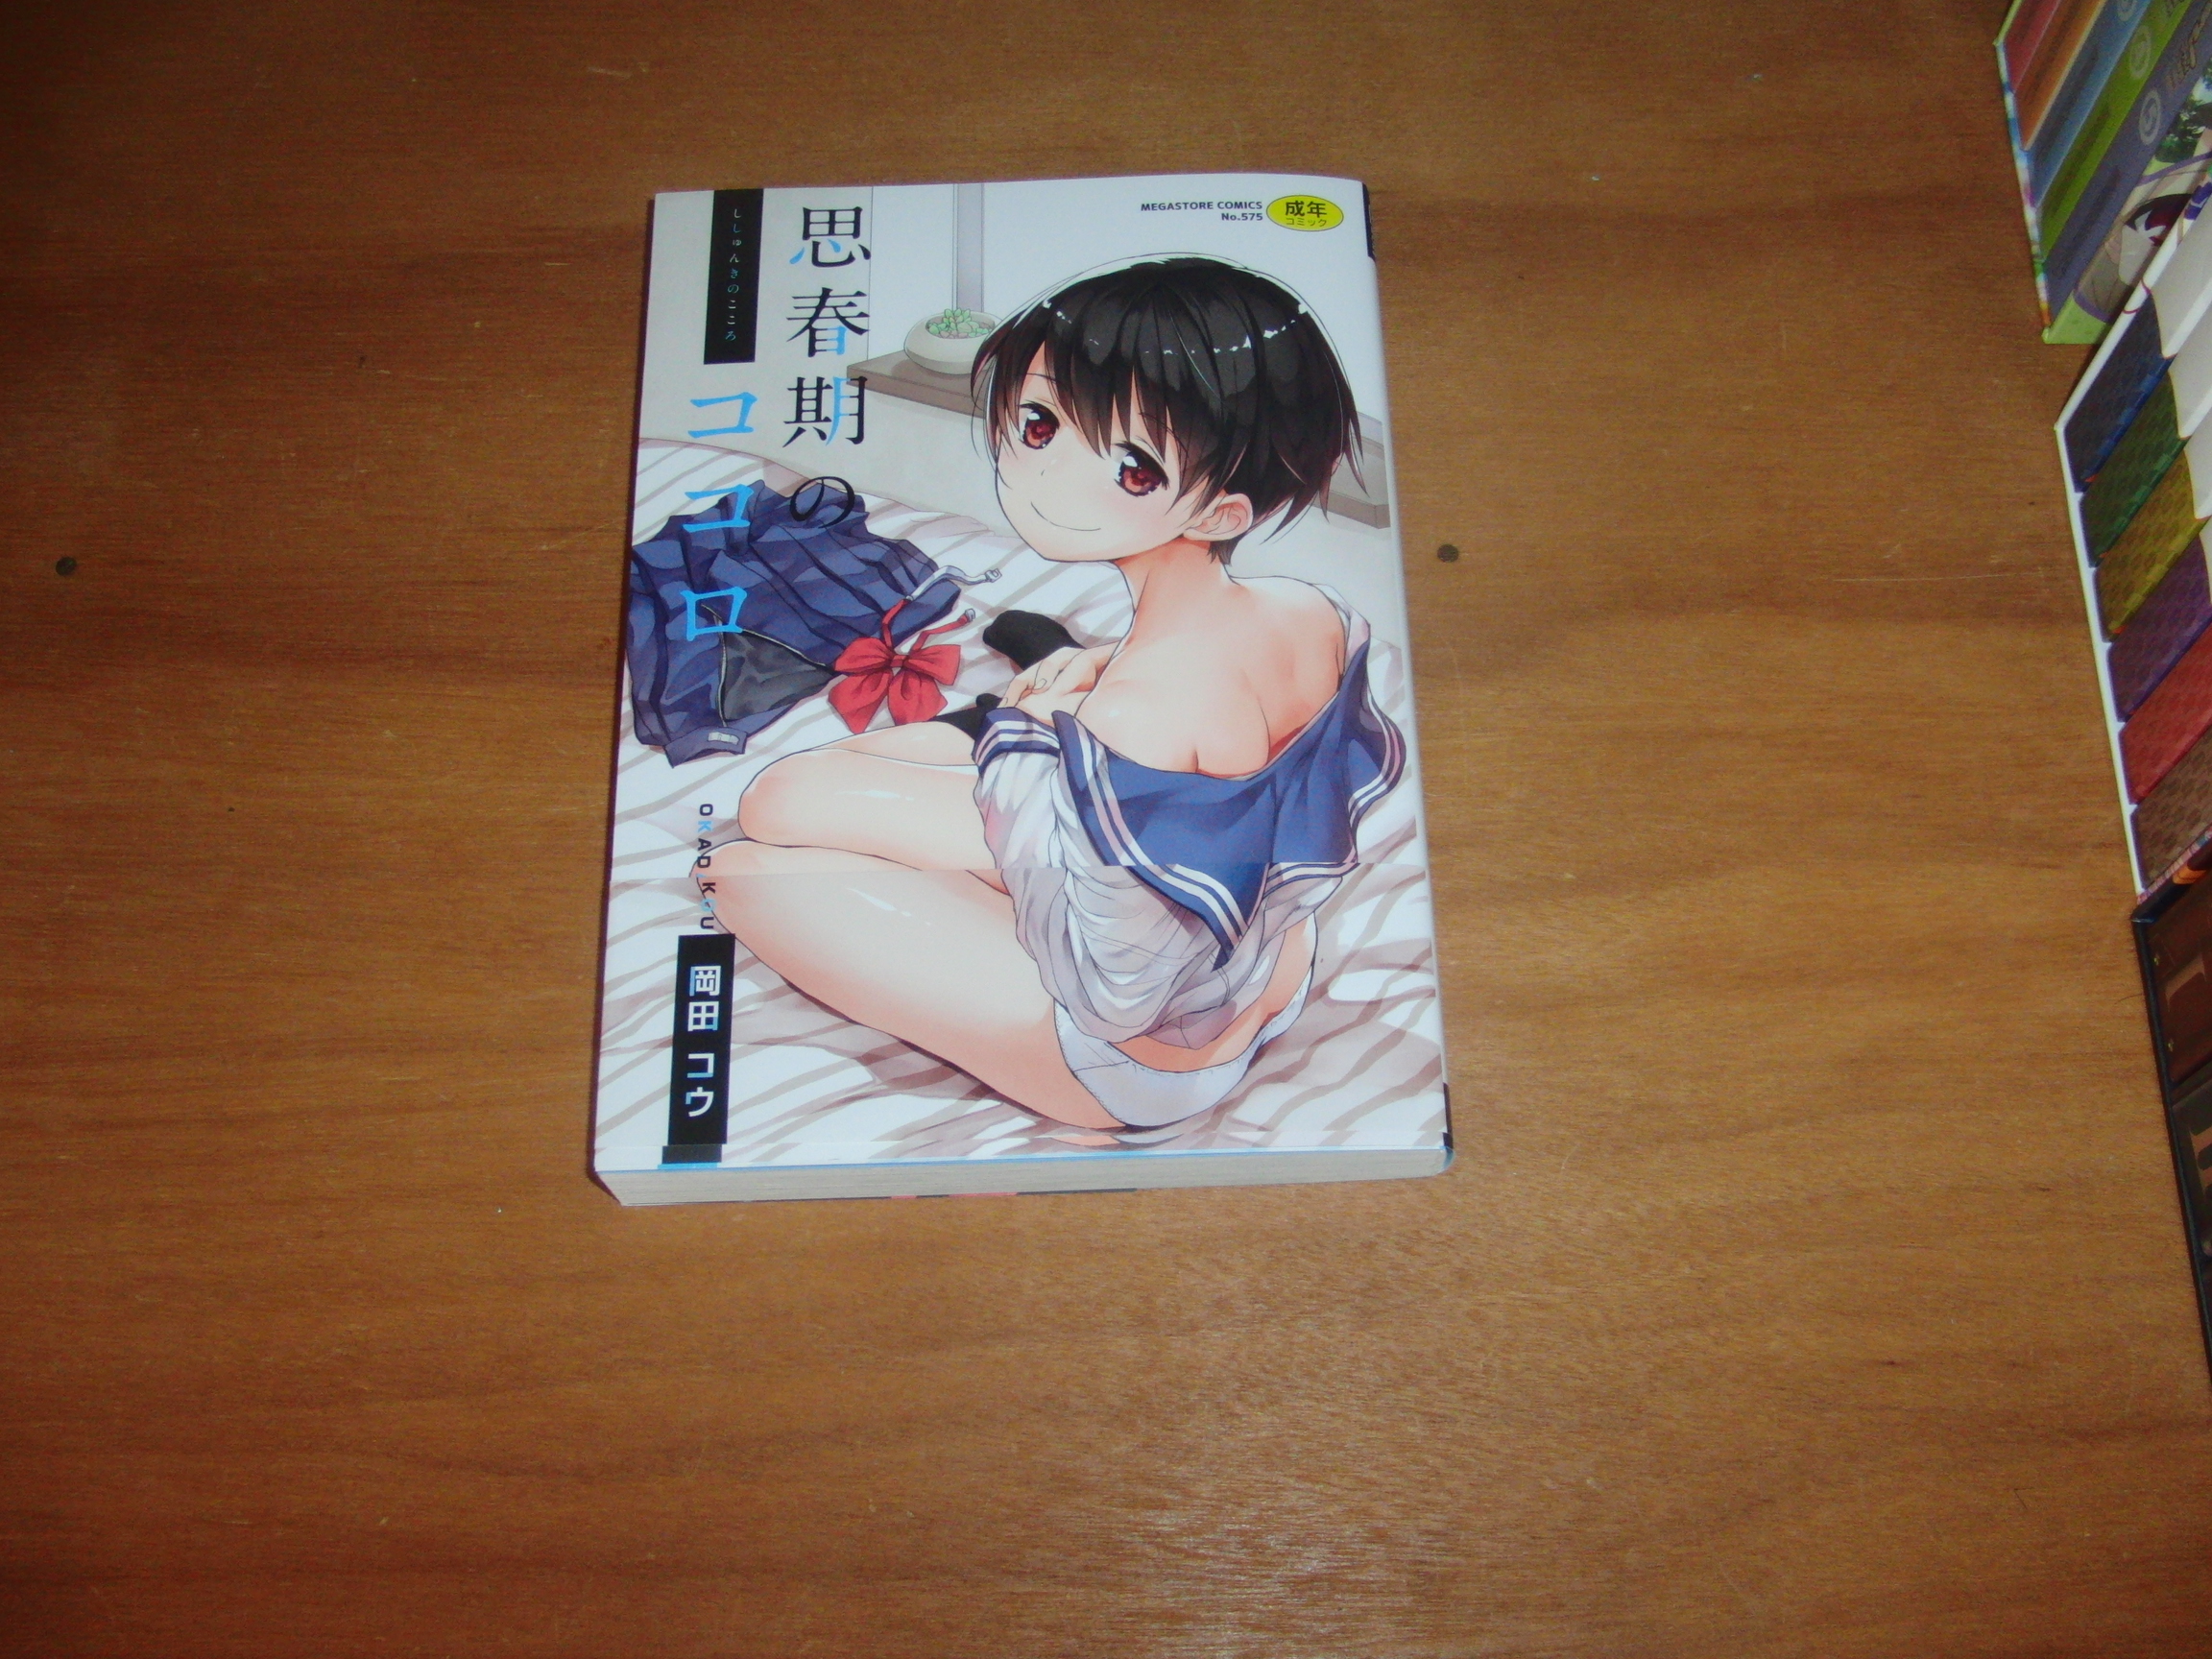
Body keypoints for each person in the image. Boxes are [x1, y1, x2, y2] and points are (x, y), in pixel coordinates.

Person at [699, 256, 1403, 1133]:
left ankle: (1007, 731)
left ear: (1220, 513)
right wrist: (1101, 664)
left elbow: (1108, 979)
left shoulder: (1138, 717)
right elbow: (1238, 734)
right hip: (1266, 963)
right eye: (1039, 425)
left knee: (747, 861)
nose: (1047, 477)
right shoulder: (1315, 613)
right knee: (811, 793)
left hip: (1139, 1055)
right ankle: (1024, 713)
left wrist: (1030, 760)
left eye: (1134, 468)